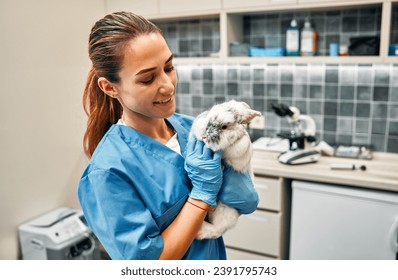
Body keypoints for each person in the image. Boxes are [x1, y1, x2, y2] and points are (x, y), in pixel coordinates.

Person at [77, 11, 259, 260]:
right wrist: (201, 197)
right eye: (148, 78)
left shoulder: (192, 130)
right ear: (110, 87)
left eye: (169, 67)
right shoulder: (108, 173)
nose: (168, 85)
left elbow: (244, 201)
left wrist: (239, 165)